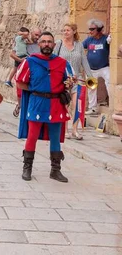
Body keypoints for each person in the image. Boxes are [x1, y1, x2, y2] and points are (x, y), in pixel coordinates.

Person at [16, 32, 73, 183]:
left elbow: (69, 81)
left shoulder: (62, 63)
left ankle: (55, 170)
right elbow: (20, 82)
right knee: (32, 136)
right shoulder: (30, 62)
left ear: (54, 45)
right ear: (39, 44)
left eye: (49, 42)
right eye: (44, 42)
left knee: (55, 138)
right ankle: (27, 168)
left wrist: (69, 84)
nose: (47, 44)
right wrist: (36, 88)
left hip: (56, 104)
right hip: (37, 102)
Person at [55, 23, 92, 140]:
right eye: (64, 30)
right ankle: (64, 130)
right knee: (65, 105)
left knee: (77, 106)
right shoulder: (59, 44)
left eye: (68, 30)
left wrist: (90, 77)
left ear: (74, 31)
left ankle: (75, 130)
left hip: (77, 79)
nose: (65, 32)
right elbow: (54, 60)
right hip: (64, 80)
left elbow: (84, 61)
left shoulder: (79, 46)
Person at [83, 19, 111, 115]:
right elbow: (81, 47)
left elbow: (112, 43)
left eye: (92, 29)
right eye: (89, 29)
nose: (90, 31)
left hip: (104, 67)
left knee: (110, 83)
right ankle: (93, 108)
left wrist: (110, 40)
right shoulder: (89, 40)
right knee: (91, 88)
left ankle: (113, 105)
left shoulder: (105, 39)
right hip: (91, 69)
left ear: (99, 29)